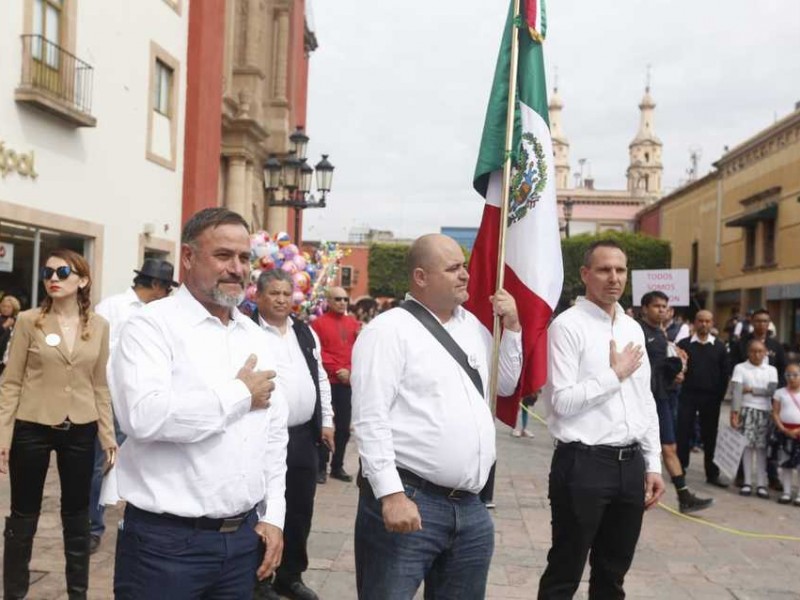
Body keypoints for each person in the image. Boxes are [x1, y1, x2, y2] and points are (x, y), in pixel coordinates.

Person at [110, 208, 289, 598]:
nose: (237, 268)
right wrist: (240, 394)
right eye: (224, 256)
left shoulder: (255, 336)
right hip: (165, 546)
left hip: (242, 543)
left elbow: (273, 437)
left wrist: (274, 515)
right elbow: (144, 417)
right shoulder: (151, 326)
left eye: (244, 258)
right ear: (188, 258)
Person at [351, 233, 521, 599]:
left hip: (471, 508)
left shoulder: (473, 327)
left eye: (464, 266)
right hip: (412, 498)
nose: (464, 275)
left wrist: (513, 331)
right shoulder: (389, 330)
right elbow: (370, 418)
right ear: (421, 277)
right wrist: (391, 495)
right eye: (453, 268)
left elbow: (504, 385)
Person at [538, 240, 665, 600]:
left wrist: (653, 463)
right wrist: (615, 375)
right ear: (585, 274)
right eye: (604, 269)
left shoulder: (633, 328)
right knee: (565, 570)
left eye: (620, 270)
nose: (614, 278)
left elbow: (645, 401)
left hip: (630, 466)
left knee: (613, 574)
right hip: (583, 463)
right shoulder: (567, 327)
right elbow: (561, 401)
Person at [0, 249, 117, 599]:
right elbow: (12, 383)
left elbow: (99, 383)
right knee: (23, 517)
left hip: (80, 428)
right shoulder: (28, 321)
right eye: (47, 271)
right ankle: (15, 593)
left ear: (81, 280)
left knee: (77, 516)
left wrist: (108, 435)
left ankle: (77, 593)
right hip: (31, 426)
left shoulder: (99, 326)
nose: (53, 277)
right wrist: (3, 435)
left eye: (62, 271)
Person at [251, 269, 334, 600]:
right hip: (264, 436)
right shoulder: (248, 332)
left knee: (300, 507)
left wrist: (327, 420)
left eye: (287, 293)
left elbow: (321, 377)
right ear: (258, 296)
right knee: (263, 507)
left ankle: (290, 575)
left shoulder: (304, 332)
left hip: (302, 437)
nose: (282, 299)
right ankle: (258, 579)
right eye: (274, 293)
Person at [88, 258, 178, 553]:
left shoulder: (162, 314)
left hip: (146, 400)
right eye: (166, 288)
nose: (168, 295)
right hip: (110, 399)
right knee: (100, 463)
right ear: (155, 285)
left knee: (141, 459)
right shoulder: (111, 308)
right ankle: (91, 525)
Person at [638, 291, 713, 514]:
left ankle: (684, 495)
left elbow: (661, 366)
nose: (661, 309)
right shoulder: (637, 331)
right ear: (644, 309)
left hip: (663, 397)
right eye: (656, 306)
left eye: (664, 306)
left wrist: (675, 371)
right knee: (648, 447)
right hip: (644, 399)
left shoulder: (661, 334)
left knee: (669, 446)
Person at [311, 286, 360, 483]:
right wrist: (336, 369)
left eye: (345, 299)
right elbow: (317, 351)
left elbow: (358, 350)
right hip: (327, 381)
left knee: (343, 428)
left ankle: (337, 466)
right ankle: (321, 466)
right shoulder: (317, 324)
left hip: (346, 382)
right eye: (338, 299)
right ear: (329, 301)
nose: (342, 303)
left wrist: (348, 370)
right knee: (324, 424)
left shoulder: (353, 323)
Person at [676, 310, 730, 487]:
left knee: (710, 435)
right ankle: (680, 470)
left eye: (708, 321)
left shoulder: (720, 347)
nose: (704, 324)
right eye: (700, 321)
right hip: (687, 396)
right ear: (694, 322)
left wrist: (719, 397)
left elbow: (724, 375)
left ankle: (712, 473)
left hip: (711, 399)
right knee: (683, 433)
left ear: (712, 323)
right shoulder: (683, 345)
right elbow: (676, 369)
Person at [730, 339, 778, 498]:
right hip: (746, 410)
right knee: (748, 448)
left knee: (762, 449)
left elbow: (771, 391)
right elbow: (737, 391)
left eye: (760, 351)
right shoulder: (740, 368)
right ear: (748, 352)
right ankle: (747, 482)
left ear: (765, 353)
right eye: (753, 351)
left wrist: (750, 389)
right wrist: (734, 412)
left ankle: (762, 484)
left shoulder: (771, 370)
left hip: (765, 411)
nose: (757, 354)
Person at [772, 362, 800, 505]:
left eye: (795, 375)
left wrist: (797, 431)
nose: (792, 378)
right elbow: (775, 412)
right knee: (785, 464)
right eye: (788, 375)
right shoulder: (780, 393)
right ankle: (786, 492)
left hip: (798, 432)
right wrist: (783, 429)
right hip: (784, 432)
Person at [0, 294, 21, 376]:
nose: (5, 309)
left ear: (14, 308)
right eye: (3, 306)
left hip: (10, 357)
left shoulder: (19, 321)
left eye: (8, 307)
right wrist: (5, 326)